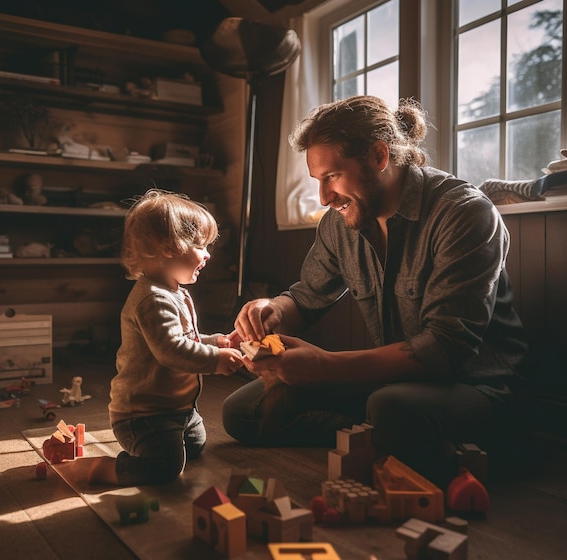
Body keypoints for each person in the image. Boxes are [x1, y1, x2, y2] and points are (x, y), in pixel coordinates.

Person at [224, 95, 529, 486]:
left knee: (389, 407)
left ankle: (399, 438)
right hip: (393, 385)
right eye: (318, 180)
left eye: (332, 175)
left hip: (477, 388)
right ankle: (385, 440)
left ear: (379, 156)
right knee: (244, 410)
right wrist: (271, 308)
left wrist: (325, 366)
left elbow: (444, 348)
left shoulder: (465, 213)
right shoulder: (341, 222)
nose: (324, 197)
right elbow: (304, 296)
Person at [83, 189, 244, 485]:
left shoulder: (174, 293)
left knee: (195, 446)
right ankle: (103, 469)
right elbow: (171, 350)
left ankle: (172, 436)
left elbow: (187, 338)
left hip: (178, 408)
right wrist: (215, 360)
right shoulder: (152, 299)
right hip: (144, 414)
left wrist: (217, 342)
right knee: (165, 469)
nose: (208, 254)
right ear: (169, 247)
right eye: (200, 245)